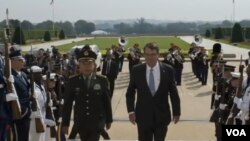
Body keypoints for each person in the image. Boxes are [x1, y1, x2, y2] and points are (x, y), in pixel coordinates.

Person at [126, 42, 181, 141]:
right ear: (144, 55)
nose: (150, 57)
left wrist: (176, 112)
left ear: (158, 55)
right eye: (147, 54)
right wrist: (131, 111)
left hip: (162, 116)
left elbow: (173, 92)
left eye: (153, 54)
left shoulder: (168, 70)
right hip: (143, 116)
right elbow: (130, 92)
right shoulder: (136, 70)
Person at [62, 47, 113, 141]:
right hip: (80, 122)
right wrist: (65, 123)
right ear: (79, 65)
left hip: (97, 122)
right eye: (83, 63)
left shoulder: (102, 80)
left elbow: (107, 102)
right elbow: (67, 104)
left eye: (89, 63)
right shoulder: (73, 81)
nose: (86, 66)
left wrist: (109, 119)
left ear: (94, 65)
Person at [10, 47, 31, 141]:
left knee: (25, 137)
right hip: (18, 112)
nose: (23, 62)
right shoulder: (10, 76)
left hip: (27, 111)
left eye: (22, 60)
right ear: (13, 61)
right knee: (18, 137)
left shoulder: (23, 74)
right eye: (20, 60)